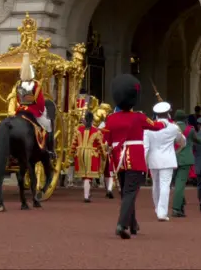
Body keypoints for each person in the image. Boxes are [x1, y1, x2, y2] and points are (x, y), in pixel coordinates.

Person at [103, 74, 166, 239]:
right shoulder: (139, 117)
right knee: (130, 193)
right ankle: (121, 224)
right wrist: (165, 121)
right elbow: (157, 126)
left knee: (126, 193)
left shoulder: (110, 119)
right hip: (135, 159)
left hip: (118, 160)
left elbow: (106, 140)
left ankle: (133, 224)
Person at [144, 102, 185, 221]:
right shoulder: (173, 127)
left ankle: (158, 208)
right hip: (167, 159)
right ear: (168, 114)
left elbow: (145, 147)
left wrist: (144, 161)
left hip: (153, 159)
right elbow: (181, 141)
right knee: (164, 186)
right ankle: (162, 212)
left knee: (155, 185)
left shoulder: (148, 128)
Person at [15, 52, 55, 158]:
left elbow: (17, 98)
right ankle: (50, 149)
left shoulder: (18, 84)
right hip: (33, 110)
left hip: (20, 109)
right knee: (48, 124)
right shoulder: (36, 84)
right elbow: (38, 101)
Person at [70, 111, 104, 202]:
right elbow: (100, 145)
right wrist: (104, 155)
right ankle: (86, 195)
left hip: (80, 153)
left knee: (84, 175)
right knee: (88, 176)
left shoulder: (78, 130)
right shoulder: (96, 131)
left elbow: (73, 144)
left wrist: (71, 154)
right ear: (92, 120)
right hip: (92, 154)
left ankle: (87, 193)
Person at [172, 110, 198, 217]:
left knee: (176, 183)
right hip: (185, 159)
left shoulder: (171, 128)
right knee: (180, 184)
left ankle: (181, 203)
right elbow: (198, 140)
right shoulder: (190, 130)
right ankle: (176, 208)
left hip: (173, 157)